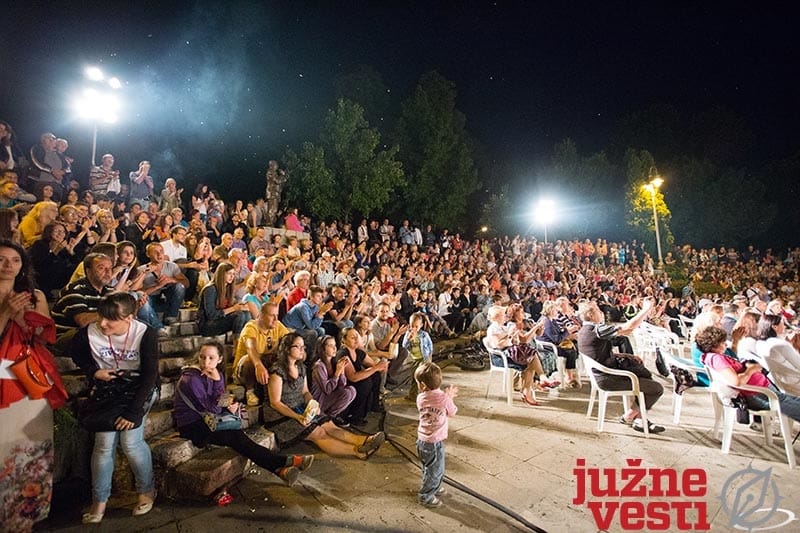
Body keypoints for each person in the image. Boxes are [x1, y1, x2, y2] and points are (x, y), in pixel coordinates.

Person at [69, 293, 159, 524]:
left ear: (128, 318)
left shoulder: (145, 333)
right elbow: (75, 352)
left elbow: (150, 375)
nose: (103, 323)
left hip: (139, 390)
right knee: (103, 444)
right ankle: (99, 500)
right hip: (108, 391)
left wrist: (133, 412)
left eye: (111, 319)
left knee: (130, 442)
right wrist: (93, 371)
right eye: (101, 317)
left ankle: (147, 490)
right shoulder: (89, 333)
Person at [173, 342, 314, 486]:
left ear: (220, 359)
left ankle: (281, 470)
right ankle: (285, 462)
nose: (206, 362)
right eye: (202, 357)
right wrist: (217, 383)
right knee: (236, 437)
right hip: (192, 425)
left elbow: (220, 400)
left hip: (210, 420)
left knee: (238, 436)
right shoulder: (191, 379)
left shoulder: (216, 373)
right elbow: (213, 408)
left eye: (211, 358)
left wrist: (229, 404)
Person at [0, 240, 68, 531]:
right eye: (2, 259)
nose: (9, 265)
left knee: (32, 446)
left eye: (15, 260)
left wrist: (23, 320)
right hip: (2, 375)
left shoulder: (34, 295)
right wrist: (5, 313)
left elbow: (42, 336)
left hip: (27, 374)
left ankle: (24, 517)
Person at [263, 332, 385, 458]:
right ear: (287, 349)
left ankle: (365, 440)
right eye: (297, 346)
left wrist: (313, 403)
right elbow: (275, 403)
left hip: (299, 407)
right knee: (319, 433)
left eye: (303, 346)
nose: (302, 349)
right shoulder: (277, 372)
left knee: (329, 425)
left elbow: (305, 392)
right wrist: (298, 417)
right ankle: (358, 452)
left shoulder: (300, 367)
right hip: (282, 414)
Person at [576, 298, 665, 433]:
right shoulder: (597, 329)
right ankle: (630, 416)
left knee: (643, 376)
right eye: (599, 310)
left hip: (602, 375)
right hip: (608, 379)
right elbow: (628, 327)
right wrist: (646, 309)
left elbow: (597, 354)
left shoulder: (584, 330)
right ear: (591, 315)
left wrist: (626, 356)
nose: (602, 313)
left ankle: (639, 419)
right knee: (656, 388)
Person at [699, 326, 800, 424]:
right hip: (760, 395)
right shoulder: (716, 359)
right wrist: (751, 370)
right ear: (713, 345)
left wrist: (745, 364)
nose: (725, 344)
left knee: (795, 401)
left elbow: (733, 367)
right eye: (722, 342)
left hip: (763, 391)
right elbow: (736, 382)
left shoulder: (714, 357)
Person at [485, 306, 553, 406]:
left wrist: (514, 337)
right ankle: (534, 385)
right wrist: (510, 336)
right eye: (503, 315)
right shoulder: (493, 329)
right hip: (500, 357)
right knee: (531, 357)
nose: (505, 316)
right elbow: (498, 345)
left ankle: (530, 388)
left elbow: (513, 341)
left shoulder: (503, 327)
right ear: (497, 317)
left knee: (531, 357)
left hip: (509, 353)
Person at [414, 362, 458, 508]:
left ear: (422, 385)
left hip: (422, 440)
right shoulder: (444, 399)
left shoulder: (420, 398)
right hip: (434, 442)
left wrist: (446, 397)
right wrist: (449, 397)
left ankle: (434, 486)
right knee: (436, 470)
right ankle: (426, 496)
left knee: (428, 467)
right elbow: (452, 412)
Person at [233, 302, 290, 407]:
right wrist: (258, 365)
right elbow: (251, 347)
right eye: (272, 315)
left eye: (277, 315)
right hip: (245, 371)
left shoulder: (277, 325)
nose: (275, 319)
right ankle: (250, 391)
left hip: (264, 367)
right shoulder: (251, 327)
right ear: (261, 316)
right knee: (249, 359)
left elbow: (291, 339)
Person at [337, 327, 388, 426]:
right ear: (344, 340)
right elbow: (352, 377)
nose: (356, 339)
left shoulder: (358, 352)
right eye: (353, 338)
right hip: (345, 384)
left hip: (356, 381)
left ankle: (373, 405)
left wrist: (381, 366)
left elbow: (374, 365)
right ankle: (355, 416)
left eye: (357, 337)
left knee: (375, 375)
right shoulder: (343, 354)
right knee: (365, 382)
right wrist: (375, 368)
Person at [310, 335, 356, 422]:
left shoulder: (333, 362)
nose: (334, 348)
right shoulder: (319, 366)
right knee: (347, 392)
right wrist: (337, 373)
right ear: (323, 349)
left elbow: (342, 386)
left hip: (330, 397)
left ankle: (331, 416)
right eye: (331, 346)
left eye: (335, 345)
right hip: (320, 400)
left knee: (352, 390)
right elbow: (327, 390)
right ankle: (327, 418)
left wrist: (341, 370)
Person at [198, 262, 249, 337]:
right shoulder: (210, 289)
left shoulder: (228, 288)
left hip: (221, 320)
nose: (232, 276)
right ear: (221, 274)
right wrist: (234, 308)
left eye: (233, 274)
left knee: (246, 314)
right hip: (207, 325)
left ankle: (243, 340)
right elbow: (211, 315)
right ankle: (236, 341)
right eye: (229, 273)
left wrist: (240, 306)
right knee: (239, 315)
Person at [401, 312, 435, 400]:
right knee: (414, 377)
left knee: (422, 376)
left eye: (416, 326)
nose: (414, 328)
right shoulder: (408, 334)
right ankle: (413, 394)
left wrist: (430, 357)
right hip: (414, 359)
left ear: (421, 325)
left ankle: (427, 394)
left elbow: (430, 346)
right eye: (412, 326)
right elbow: (404, 346)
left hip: (424, 358)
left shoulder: (424, 335)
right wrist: (408, 339)